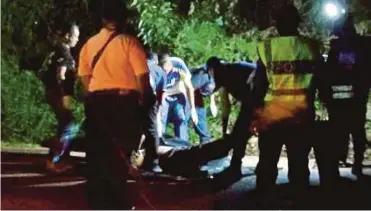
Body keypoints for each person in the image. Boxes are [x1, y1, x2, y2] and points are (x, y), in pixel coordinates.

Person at [78, 0, 152, 209]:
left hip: (97, 103)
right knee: (119, 155)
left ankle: (97, 202)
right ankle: (117, 202)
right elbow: (142, 77)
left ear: (103, 19)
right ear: (123, 19)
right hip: (123, 103)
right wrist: (140, 100)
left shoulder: (89, 44)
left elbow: (84, 76)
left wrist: (96, 92)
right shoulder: (129, 43)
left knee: (97, 153)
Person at [252, 4, 324, 208]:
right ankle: (299, 202)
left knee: (267, 164)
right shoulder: (311, 47)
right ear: (298, 22)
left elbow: (259, 87)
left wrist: (255, 114)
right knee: (299, 165)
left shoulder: (266, 48)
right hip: (301, 116)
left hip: (273, 116)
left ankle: (263, 203)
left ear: (276, 24)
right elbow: (322, 81)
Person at [321, 13, 371, 176]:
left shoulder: (348, 47)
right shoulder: (360, 46)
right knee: (353, 132)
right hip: (352, 98)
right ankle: (351, 163)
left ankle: (345, 163)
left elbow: (328, 73)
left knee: (345, 132)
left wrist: (326, 94)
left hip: (345, 99)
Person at [206, 58, 259, 178]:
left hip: (258, 99)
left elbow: (226, 107)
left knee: (240, 134)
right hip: (253, 102)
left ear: (211, 70)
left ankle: (235, 168)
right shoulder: (225, 74)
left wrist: (225, 133)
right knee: (240, 134)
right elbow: (226, 107)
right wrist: (224, 133)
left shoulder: (228, 73)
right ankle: (237, 167)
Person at [39, 22, 80, 173]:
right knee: (70, 126)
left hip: (52, 92)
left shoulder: (56, 50)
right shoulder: (63, 52)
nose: (77, 39)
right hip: (59, 93)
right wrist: (64, 95)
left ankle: (60, 157)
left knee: (65, 125)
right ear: (67, 36)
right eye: (75, 36)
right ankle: (53, 159)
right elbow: (60, 75)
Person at [159, 54, 198, 142]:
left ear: (170, 65)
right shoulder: (156, 69)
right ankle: (160, 145)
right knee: (161, 120)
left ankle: (182, 146)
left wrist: (193, 109)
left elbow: (189, 87)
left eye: (166, 70)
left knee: (181, 117)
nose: (166, 73)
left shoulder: (178, 64)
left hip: (178, 93)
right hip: (164, 95)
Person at [140, 52, 165, 173]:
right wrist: (158, 106)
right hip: (150, 98)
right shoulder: (159, 70)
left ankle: (130, 159)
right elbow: (161, 92)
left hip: (136, 97)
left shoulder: (140, 64)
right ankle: (153, 162)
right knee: (152, 129)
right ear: (155, 61)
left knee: (135, 127)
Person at [189, 65, 218, 144]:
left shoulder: (216, 76)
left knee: (201, 116)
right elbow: (190, 88)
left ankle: (205, 141)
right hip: (189, 97)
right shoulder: (203, 76)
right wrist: (192, 109)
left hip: (198, 98)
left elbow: (213, 87)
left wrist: (212, 103)